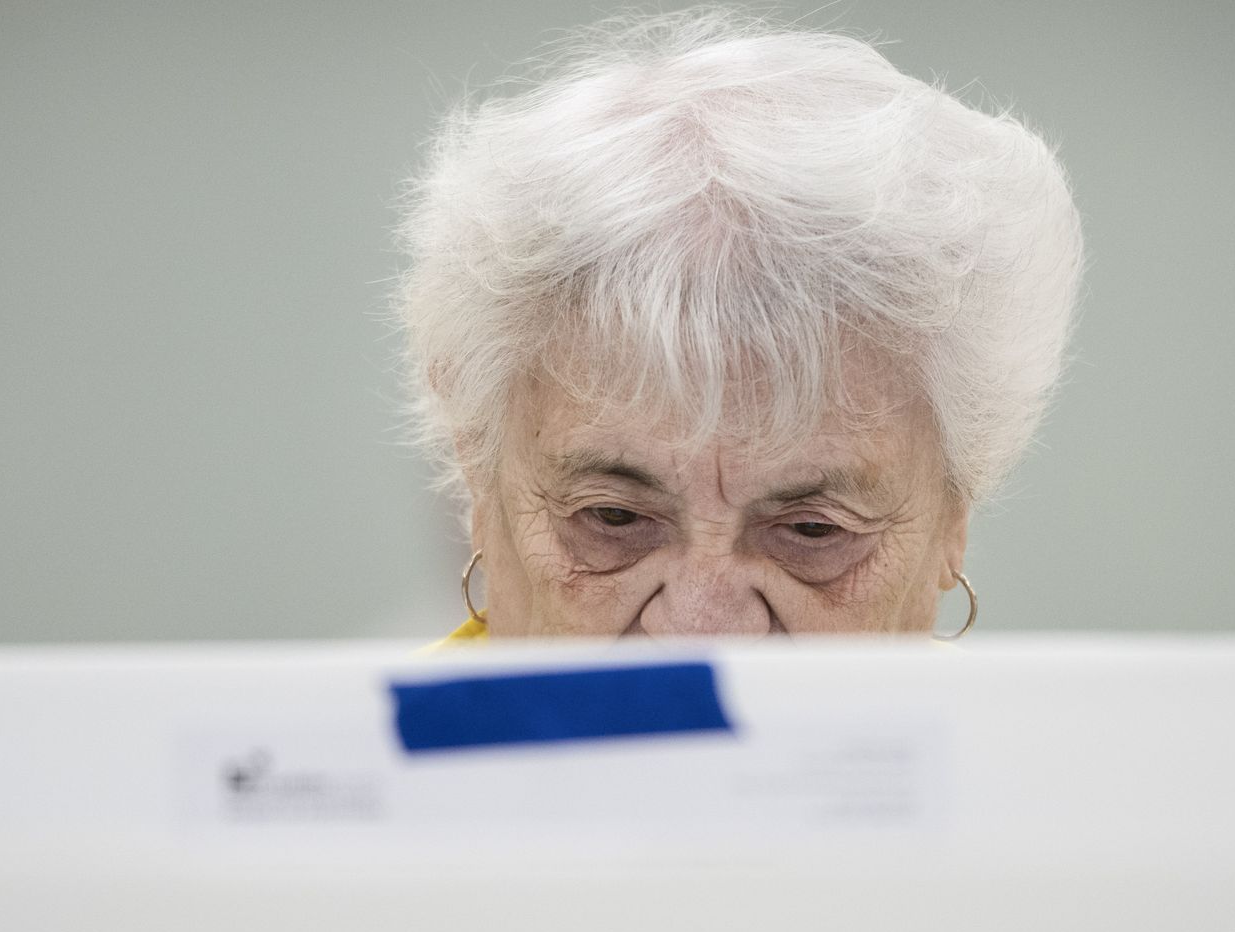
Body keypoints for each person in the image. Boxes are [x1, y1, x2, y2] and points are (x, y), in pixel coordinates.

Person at [394, 9, 1082, 642]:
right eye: (613, 519)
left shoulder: (1070, 777)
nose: (704, 628)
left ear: (953, 517)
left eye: (813, 531)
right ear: (477, 478)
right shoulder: (334, 772)